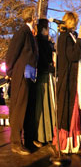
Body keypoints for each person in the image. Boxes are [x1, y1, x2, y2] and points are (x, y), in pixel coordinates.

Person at [54, 12, 81, 153]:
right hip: (68, 81)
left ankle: (78, 139)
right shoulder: (64, 37)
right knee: (71, 109)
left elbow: (77, 54)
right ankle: (68, 142)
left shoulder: (70, 36)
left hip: (74, 79)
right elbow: (72, 55)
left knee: (76, 108)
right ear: (71, 22)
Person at [5, 6, 39, 155]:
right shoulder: (22, 32)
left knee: (29, 108)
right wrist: (10, 71)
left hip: (30, 74)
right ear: (31, 17)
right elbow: (12, 52)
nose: (36, 17)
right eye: (35, 15)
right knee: (19, 109)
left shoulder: (31, 34)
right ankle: (16, 143)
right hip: (21, 74)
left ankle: (29, 139)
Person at [34, 18, 56, 146]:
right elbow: (41, 58)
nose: (48, 30)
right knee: (42, 105)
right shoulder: (39, 42)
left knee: (47, 105)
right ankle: (41, 134)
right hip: (42, 75)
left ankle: (48, 133)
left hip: (47, 74)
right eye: (47, 28)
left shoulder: (45, 42)